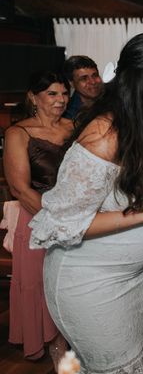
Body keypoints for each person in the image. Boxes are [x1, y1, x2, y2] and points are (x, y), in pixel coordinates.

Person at [29, 33, 143, 373]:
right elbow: (62, 223)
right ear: (142, 76)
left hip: (141, 280)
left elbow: (134, 195)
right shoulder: (103, 135)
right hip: (93, 285)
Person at [3, 71, 73, 368]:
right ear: (34, 97)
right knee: (42, 288)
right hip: (37, 221)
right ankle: (58, 350)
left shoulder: (76, 127)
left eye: (64, 93)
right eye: (52, 94)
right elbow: (20, 187)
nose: (61, 100)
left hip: (76, 218)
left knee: (70, 287)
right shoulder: (18, 133)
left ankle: (75, 341)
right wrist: (54, 221)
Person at [62, 55, 103, 120]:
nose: (92, 82)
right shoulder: (68, 113)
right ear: (71, 83)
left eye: (95, 75)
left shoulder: (111, 100)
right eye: (84, 78)